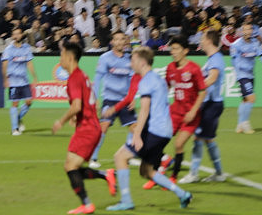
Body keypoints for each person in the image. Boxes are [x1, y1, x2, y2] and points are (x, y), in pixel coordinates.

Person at [104, 46, 192, 210]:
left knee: (120, 157)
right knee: (147, 170)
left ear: (142, 62)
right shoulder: (157, 79)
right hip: (165, 131)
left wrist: (137, 135)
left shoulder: (146, 81)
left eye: (133, 60)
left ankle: (126, 201)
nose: (131, 63)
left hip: (154, 130)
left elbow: (144, 109)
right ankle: (183, 194)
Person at [51, 42, 116, 215]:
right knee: (72, 166)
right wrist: (74, 117)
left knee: (70, 167)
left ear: (70, 57)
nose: (60, 59)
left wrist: (61, 121)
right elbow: (85, 101)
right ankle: (105, 175)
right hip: (89, 126)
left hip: (87, 129)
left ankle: (87, 204)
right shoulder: (81, 75)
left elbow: (77, 105)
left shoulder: (74, 78)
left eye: (62, 55)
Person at [179, 30, 227, 184]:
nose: (200, 41)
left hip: (212, 103)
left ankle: (194, 174)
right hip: (210, 103)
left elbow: (212, 78)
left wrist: (196, 89)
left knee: (199, 138)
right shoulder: (212, 58)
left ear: (209, 40)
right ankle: (219, 174)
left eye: (202, 38)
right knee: (208, 139)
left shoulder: (216, 59)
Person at [160, 35, 206, 186]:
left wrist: (193, 111)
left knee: (178, 144)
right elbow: (167, 86)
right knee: (157, 141)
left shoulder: (194, 68)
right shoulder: (170, 68)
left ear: (185, 51)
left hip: (190, 115)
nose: (173, 52)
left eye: (176, 49)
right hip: (174, 112)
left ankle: (173, 177)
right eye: (171, 49)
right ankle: (160, 170)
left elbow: (202, 91)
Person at [88, 31, 136, 169]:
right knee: (103, 127)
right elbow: (97, 79)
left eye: (122, 39)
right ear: (112, 42)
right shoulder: (105, 58)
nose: (120, 42)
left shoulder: (130, 59)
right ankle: (93, 157)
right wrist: (95, 98)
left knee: (135, 128)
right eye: (117, 39)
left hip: (125, 100)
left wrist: (132, 97)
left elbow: (133, 80)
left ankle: (129, 154)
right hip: (109, 100)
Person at [230, 23, 262, 134]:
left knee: (245, 100)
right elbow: (234, 61)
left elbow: (261, 54)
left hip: (250, 74)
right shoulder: (236, 45)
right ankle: (245, 124)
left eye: (249, 29)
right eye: (245, 30)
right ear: (242, 31)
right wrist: (239, 71)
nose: (248, 31)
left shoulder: (255, 42)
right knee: (251, 99)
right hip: (242, 75)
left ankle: (240, 124)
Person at [1, 27, 39, 135]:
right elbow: (4, 65)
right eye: (14, 34)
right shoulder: (9, 49)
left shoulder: (26, 48)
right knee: (15, 104)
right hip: (13, 80)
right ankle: (15, 129)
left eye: (18, 33)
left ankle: (17, 118)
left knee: (29, 102)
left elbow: (29, 63)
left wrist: (34, 77)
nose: (16, 36)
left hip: (24, 80)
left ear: (21, 35)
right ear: (12, 36)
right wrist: (5, 79)